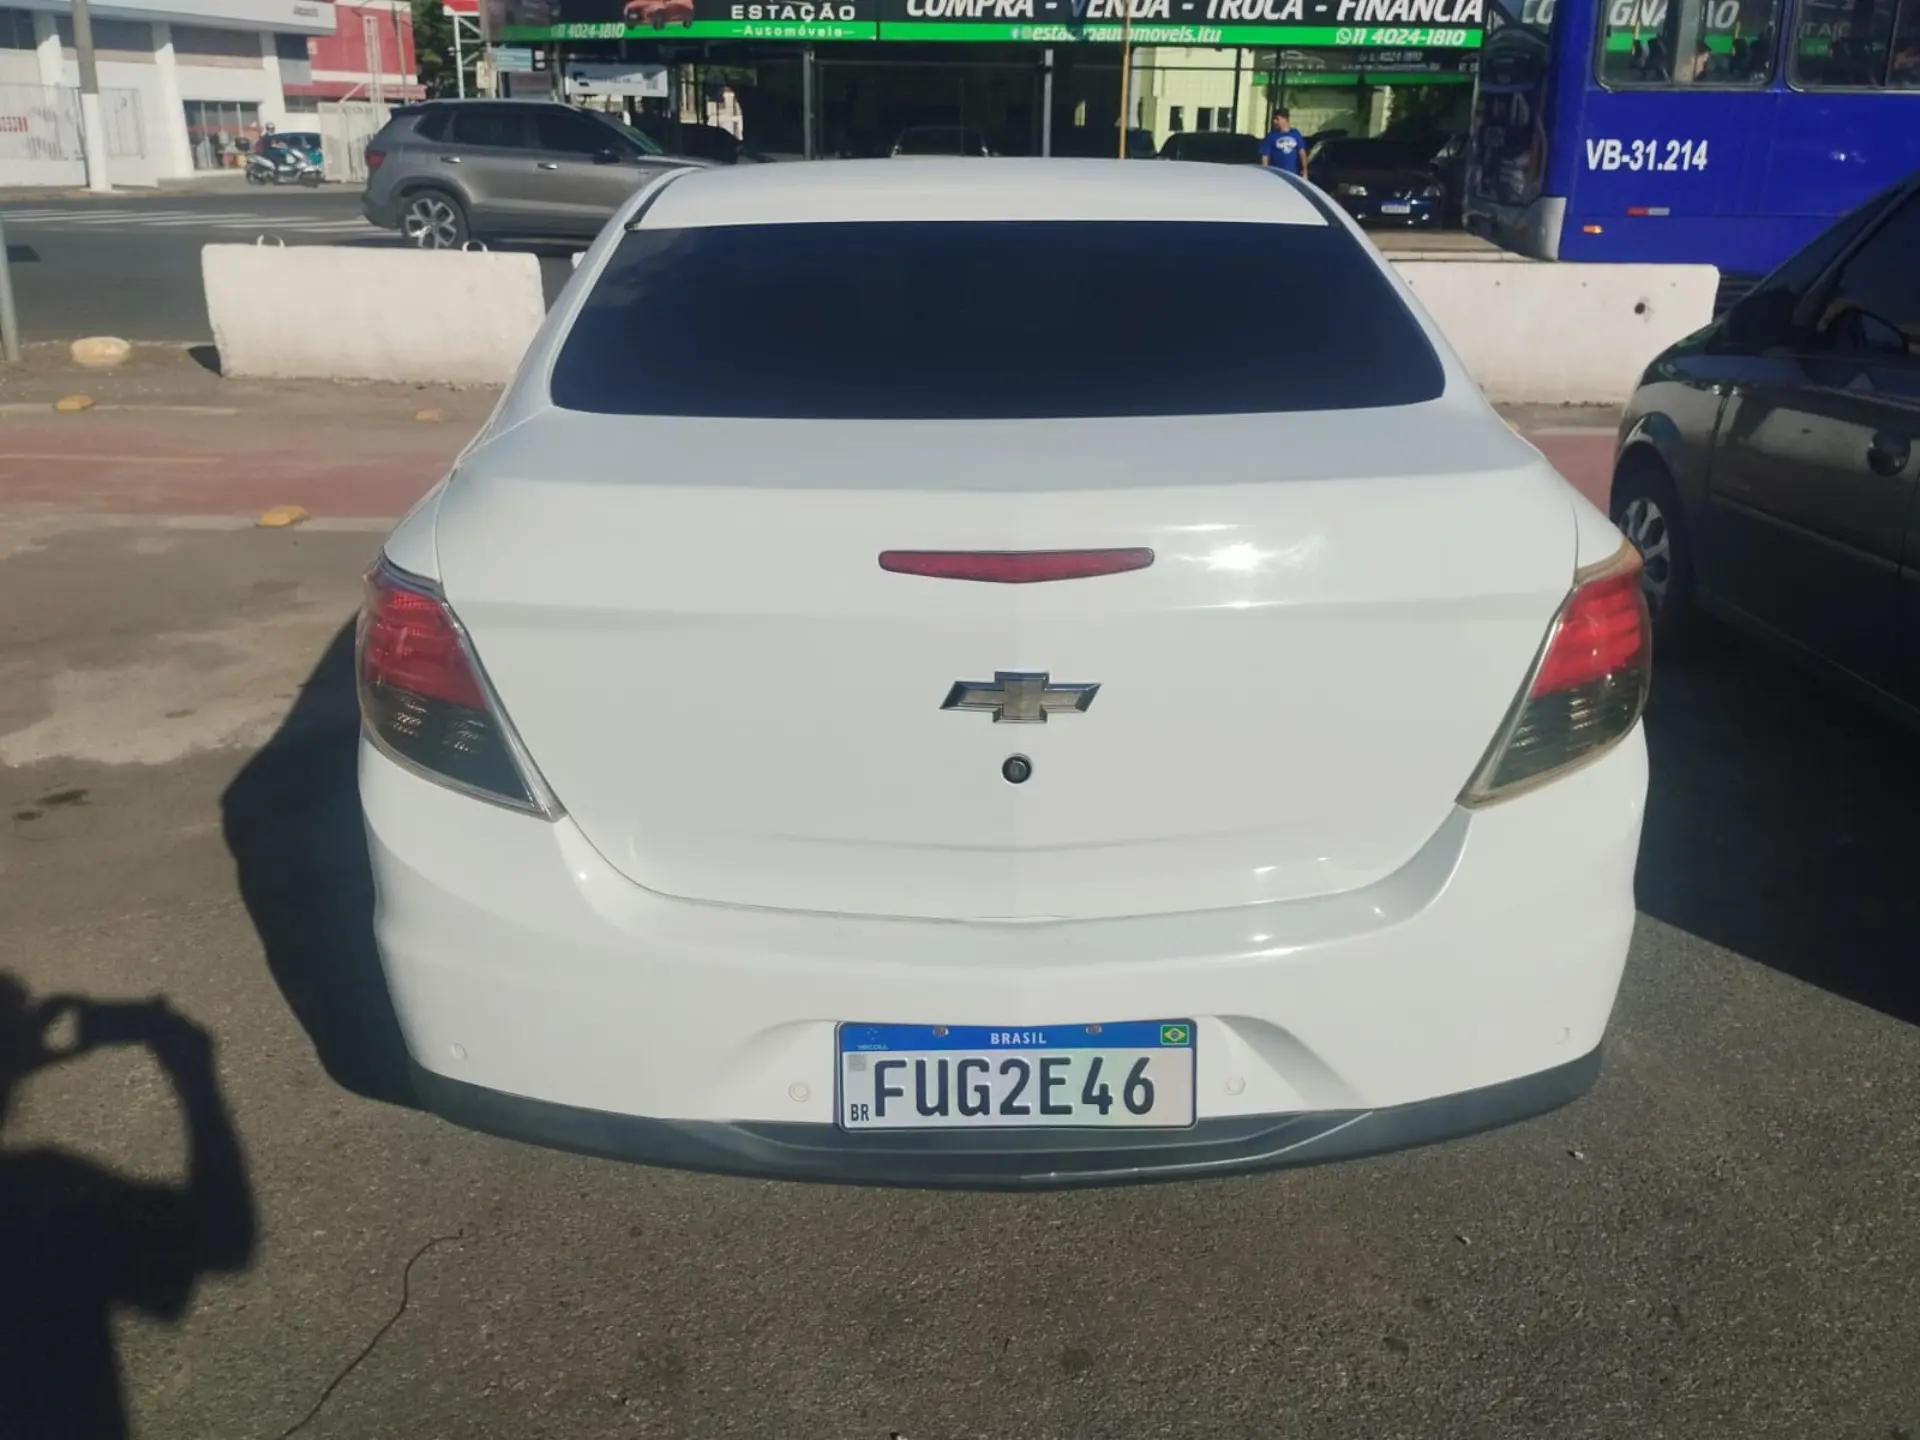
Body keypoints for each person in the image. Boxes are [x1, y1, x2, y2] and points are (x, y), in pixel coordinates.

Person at [1258, 108, 1309, 181]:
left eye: (1277, 119)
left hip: (1293, 175)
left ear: (1285, 119)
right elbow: (1265, 157)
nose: (1274, 121)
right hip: (1276, 175)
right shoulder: (1271, 136)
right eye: (1274, 119)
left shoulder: (1295, 134)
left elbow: (1302, 153)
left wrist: (1305, 171)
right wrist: (1264, 174)